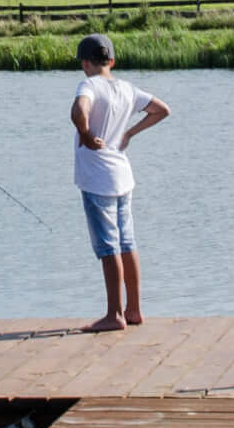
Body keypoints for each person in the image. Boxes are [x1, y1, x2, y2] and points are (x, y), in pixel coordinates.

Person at [70, 33, 170, 333]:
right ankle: (134, 309)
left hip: (98, 179)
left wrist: (86, 136)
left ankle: (114, 315)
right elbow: (162, 110)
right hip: (123, 177)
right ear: (111, 61)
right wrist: (129, 133)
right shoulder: (126, 88)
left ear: (86, 63)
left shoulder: (89, 84)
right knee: (128, 242)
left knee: (108, 246)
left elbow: (78, 111)